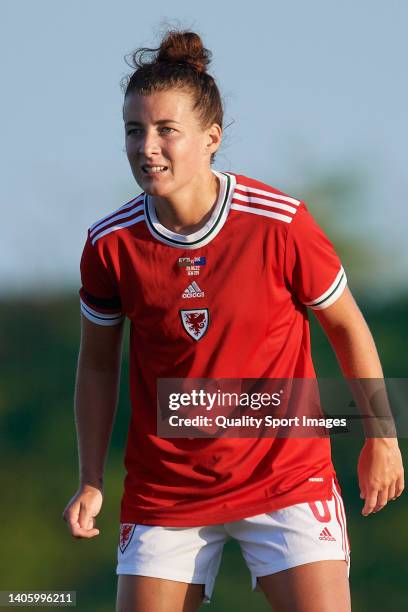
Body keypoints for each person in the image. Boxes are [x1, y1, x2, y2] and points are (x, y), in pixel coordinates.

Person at [62, 29, 404, 612]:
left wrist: (382, 436)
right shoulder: (110, 244)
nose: (148, 146)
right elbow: (97, 366)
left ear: (211, 138)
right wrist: (91, 477)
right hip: (167, 490)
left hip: (286, 476)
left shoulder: (280, 222)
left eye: (167, 130)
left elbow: (346, 326)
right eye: (134, 129)